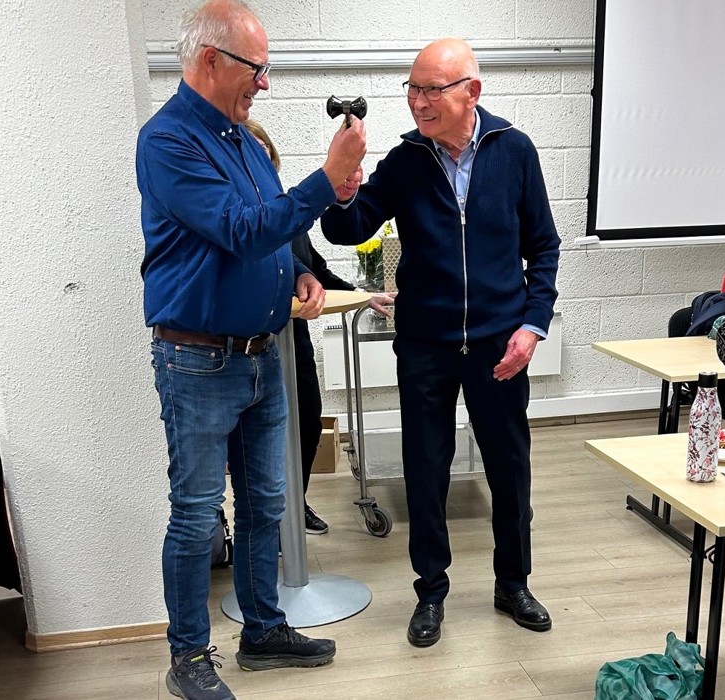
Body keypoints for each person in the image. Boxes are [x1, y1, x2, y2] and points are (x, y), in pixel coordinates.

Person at [135, 0, 366, 698]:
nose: (264, 83)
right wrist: (325, 178)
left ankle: (262, 629)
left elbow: (271, 231)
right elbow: (238, 229)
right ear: (211, 60)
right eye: (256, 69)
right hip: (198, 362)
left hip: (263, 354)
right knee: (196, 513)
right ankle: (188, 658)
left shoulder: (241, 139)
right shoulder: (168, 141)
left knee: (267, 504)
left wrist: (296, 271)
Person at [321, 38, 560, 647]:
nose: (418, 102)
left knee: (509, 468)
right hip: (426, 345)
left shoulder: (515, 151)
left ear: (471, 91)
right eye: (412, 89)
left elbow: (544, 247)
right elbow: (347, 228)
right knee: (425, 470)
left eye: (431, 90)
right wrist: (342, 188)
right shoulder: (405, 161)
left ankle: (513, 583)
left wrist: (532, 326)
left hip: (499, 345)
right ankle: (431, 591)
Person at [244, 119, 394, 535]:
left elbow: (315, 270)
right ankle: (269, 519)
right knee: (259, 437)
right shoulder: (243, 216)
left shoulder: (288, 212)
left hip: (295, 341)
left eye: (265, 152)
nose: (260, 158)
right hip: (253, 343)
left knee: (308, 422)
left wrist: (363, 295)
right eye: (251, 152)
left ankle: (295, 503)